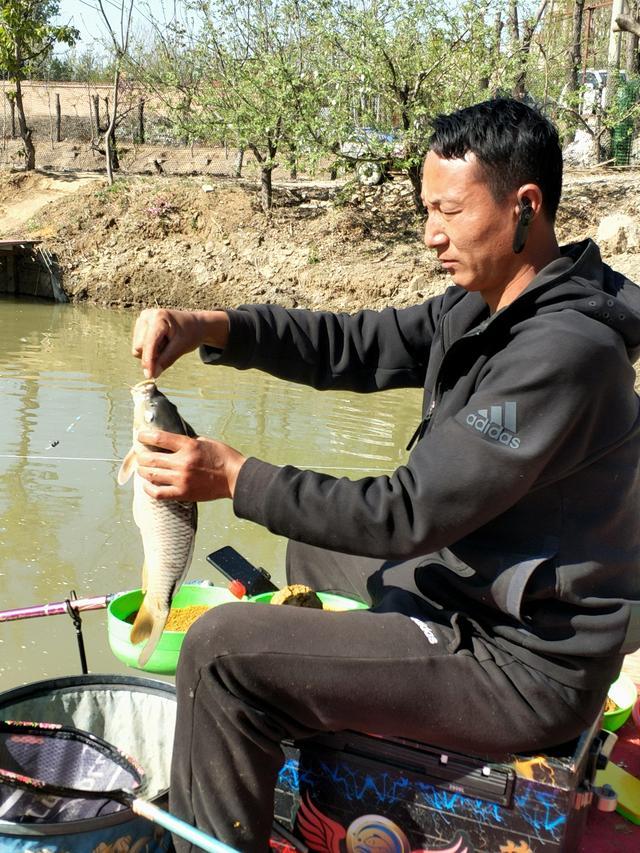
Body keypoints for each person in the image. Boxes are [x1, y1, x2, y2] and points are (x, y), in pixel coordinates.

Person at [130, 98, 640, 852]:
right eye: (425, 209)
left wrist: (235, 476)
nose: (431, 233)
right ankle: (312, 734)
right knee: (314, 554)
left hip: (522, 663)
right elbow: (356, 345)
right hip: (478, 586)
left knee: (217, 651)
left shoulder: (562, 355)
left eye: (449, 210)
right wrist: (218, 326)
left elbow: (407, 513)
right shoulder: (484, 306)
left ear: (525, 205)